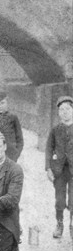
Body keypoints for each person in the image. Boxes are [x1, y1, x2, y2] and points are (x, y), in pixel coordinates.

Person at [45, 96, 73, 238]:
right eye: (61, 110)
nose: (65, 112)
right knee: (60, 199)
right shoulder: (55, 130)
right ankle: (59, 224)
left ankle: (72, 225)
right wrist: (48, 168)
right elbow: (49, 149)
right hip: (59, 170)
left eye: (68, 109)